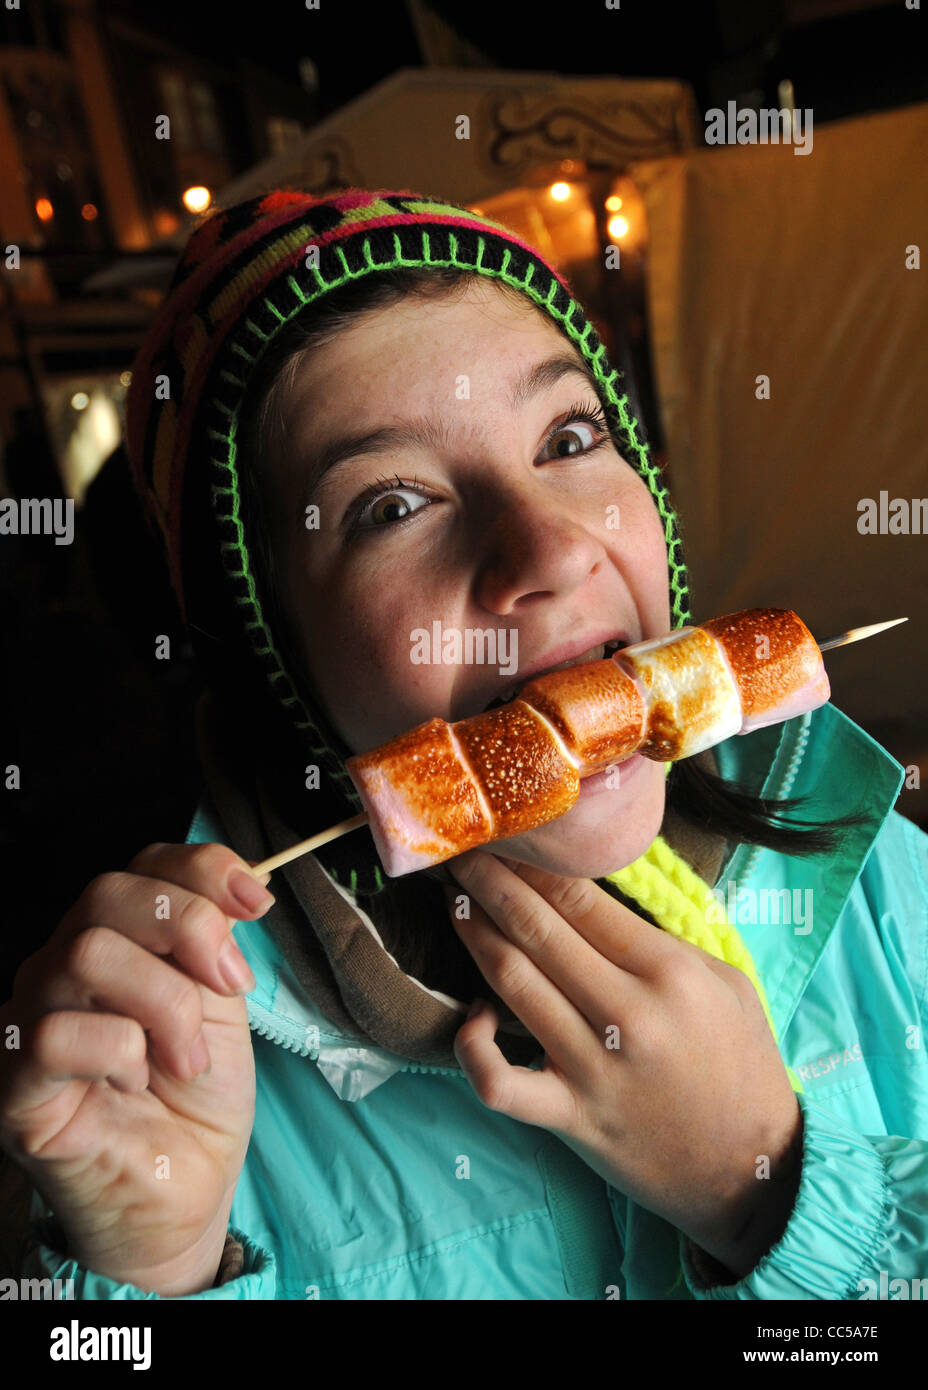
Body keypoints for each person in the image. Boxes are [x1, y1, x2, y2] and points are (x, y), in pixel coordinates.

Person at [1, 188, 925, 1300]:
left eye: (568, 437)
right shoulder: (165, 1073)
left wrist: (763, 1186)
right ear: (272, 658)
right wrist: (149, 1273)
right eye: (392, 504)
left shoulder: (876, 873)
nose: (548, 544)